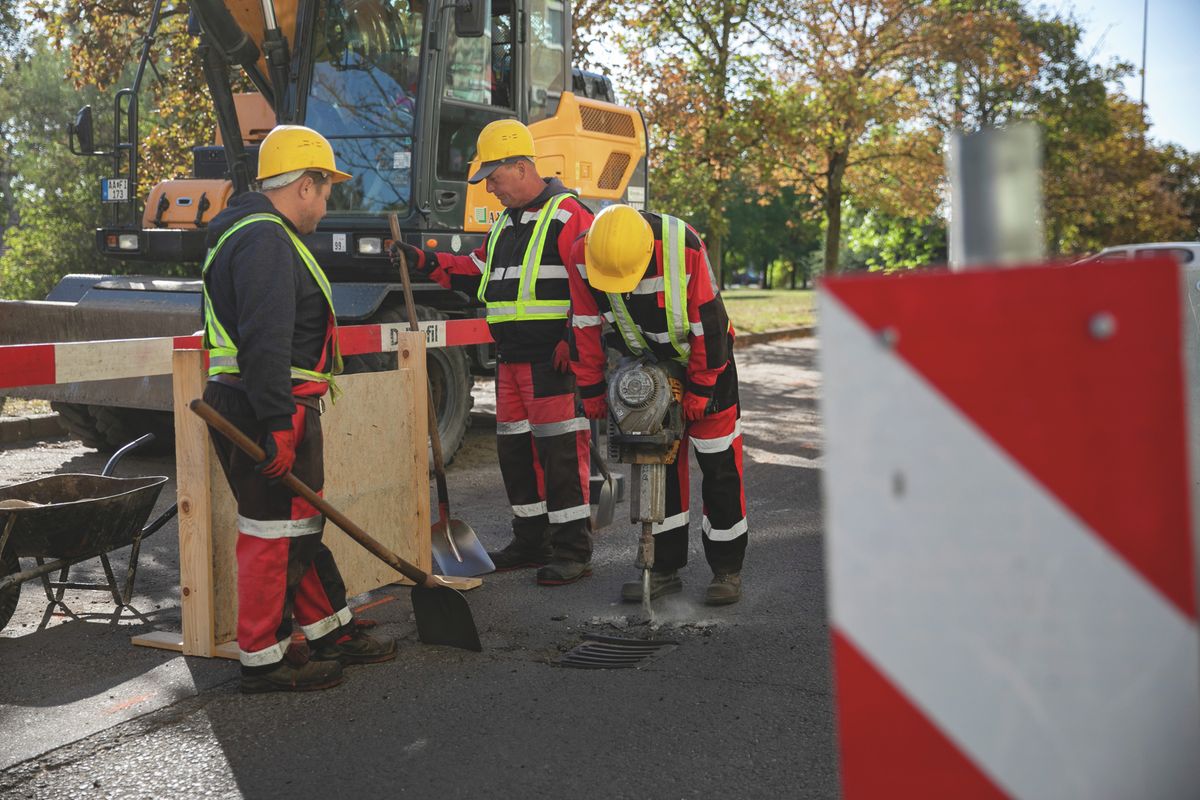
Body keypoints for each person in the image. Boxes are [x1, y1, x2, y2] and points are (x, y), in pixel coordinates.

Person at [201, 125, 396, 693]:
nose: (327, 202)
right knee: (271, 534)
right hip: (265, 403)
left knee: (295, 525)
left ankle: (330, 627)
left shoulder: (250, 230)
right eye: (327, 188)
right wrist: (280, 423)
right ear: (305, 185)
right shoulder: (264, 239)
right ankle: (263, 660)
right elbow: (266, 341)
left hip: (260, 400)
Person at [392, 119, 594, 586]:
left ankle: (573, 549)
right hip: (511, 360)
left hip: (552, 362)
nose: (490, 190)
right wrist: (425, 261)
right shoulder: (505, 223)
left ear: (521, 167)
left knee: (561, 455)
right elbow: (474, 272)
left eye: (494, 178)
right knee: (517, 453)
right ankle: (531, 540)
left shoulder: (568, 216)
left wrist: (572, 339)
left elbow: (591, 285)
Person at [567, 204, 748, 605]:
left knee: (718, 464)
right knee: (655, 462)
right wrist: (592, 388)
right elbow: (582, 323)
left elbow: (709, 322)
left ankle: (727, 569)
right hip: (646, 364)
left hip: (707, 359)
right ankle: (662, 568)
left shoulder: (683, 246)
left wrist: (701, 388)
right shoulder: (584, 253)